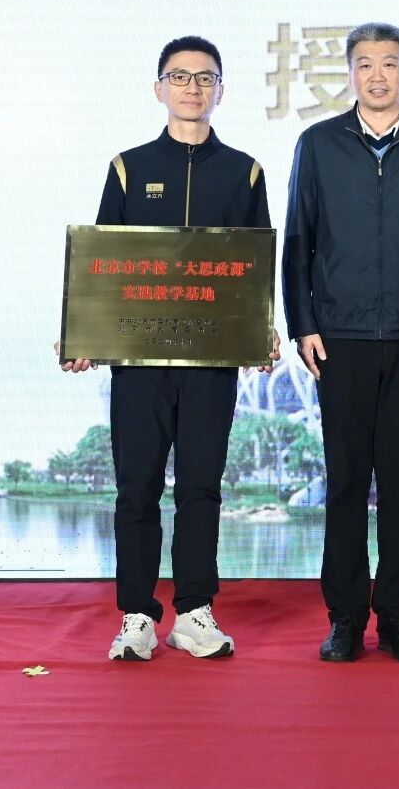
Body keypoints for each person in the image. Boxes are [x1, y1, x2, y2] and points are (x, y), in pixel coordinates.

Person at [59, 35, 273, 663]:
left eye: (205, 78)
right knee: (137, 487)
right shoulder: (128, 167)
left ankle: (195, 612)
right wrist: (81, 333)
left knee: (202, 486)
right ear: (159, 89)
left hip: (211, 360)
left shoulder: (245, 171)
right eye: (180, 77)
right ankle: (136, 616)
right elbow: (102, 262)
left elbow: (255, 264)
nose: (192, 88)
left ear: (221, 91)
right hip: (140, 360)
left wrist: (261, 329)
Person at [283, 22, 399, 663]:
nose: (377, 75)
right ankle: (344, 618)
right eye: (364, 64)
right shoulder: (318, 143)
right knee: (343, 484)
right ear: (350, 74)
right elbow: (299, 240)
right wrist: (303, 323)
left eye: (389, 63)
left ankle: (396, 615)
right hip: (341, 336)